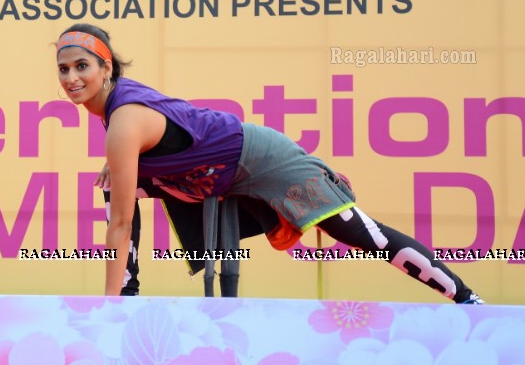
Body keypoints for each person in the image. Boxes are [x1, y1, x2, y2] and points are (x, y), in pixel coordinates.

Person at [56, 23, 484, 303]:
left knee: (354, 230)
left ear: (106, 67)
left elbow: (120, 226)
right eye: (63, 69)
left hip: (262, 157)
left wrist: (103, 313)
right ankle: (127, 295)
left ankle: (466, 299)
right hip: (210, 175)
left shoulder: (123, 119)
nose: (72, 77)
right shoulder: (117, 114)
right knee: (117, 186)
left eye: (82, 66)